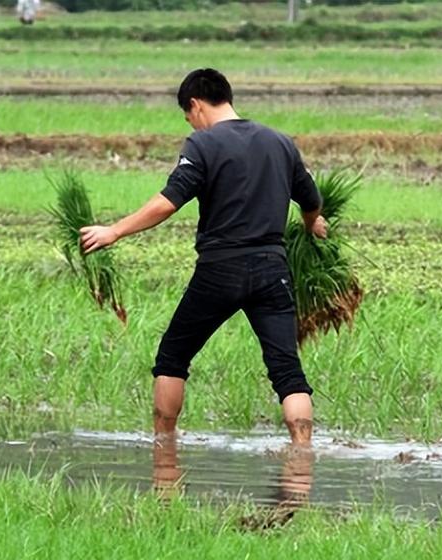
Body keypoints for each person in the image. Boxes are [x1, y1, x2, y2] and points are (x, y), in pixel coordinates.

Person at [80, 68, 327, 448]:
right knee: (287, 371)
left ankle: (164, 448)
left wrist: (113, 231)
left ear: (195, 105)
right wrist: (312, 226)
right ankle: (303, 453)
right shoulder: (280, 142)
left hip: (220, 270)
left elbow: (167, 202)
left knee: (172, 357)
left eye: (188, 117)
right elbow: (311, 201)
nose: (193, 126)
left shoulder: (203, 145)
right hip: (272, 270)